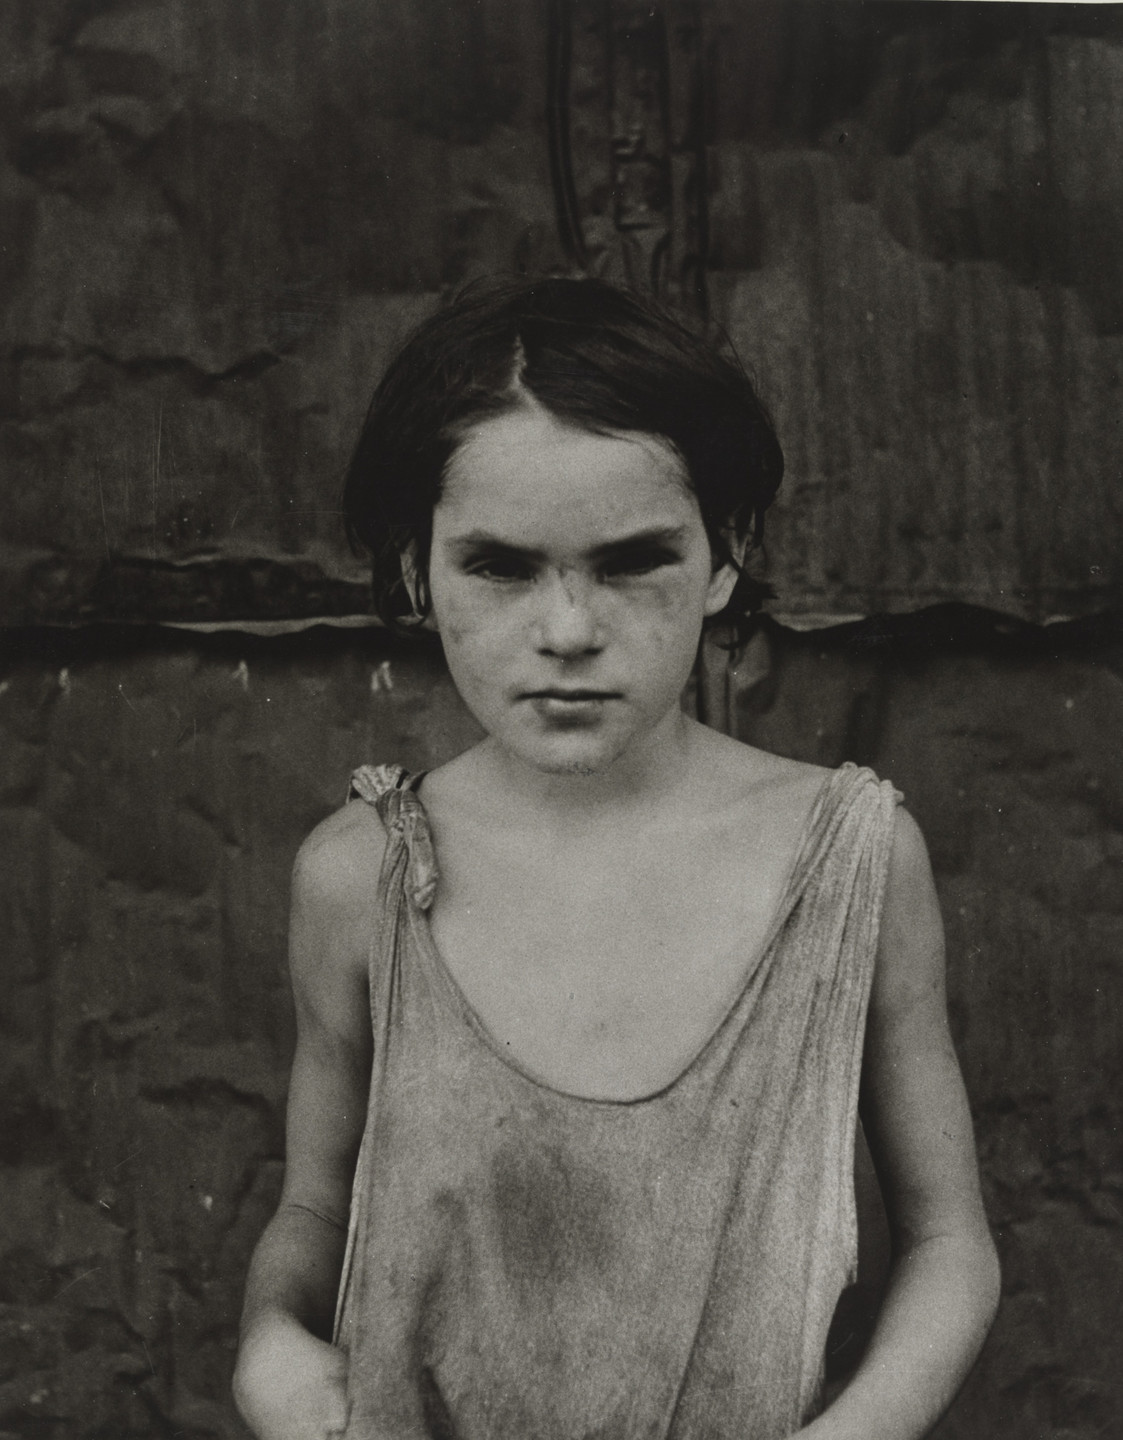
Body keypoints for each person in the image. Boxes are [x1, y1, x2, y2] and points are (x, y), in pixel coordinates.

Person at [233, 277, 1000, 1440]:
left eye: (634, 559)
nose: (570, 630)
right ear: (410, 569)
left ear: (726, 556)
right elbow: (314, 1205)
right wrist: (270, 1342)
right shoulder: (360, 878)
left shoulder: (845, 861)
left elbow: (949, 1243)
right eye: (498, 565)